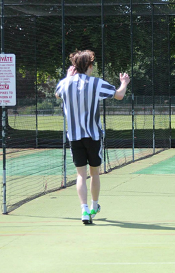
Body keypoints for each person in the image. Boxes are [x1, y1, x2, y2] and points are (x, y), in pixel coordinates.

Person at [55, 50, 130, 224]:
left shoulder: (65, 83)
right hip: (93, 136)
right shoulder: (95, 83)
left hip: (74, 136)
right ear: (89, 66)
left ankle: (84, 210)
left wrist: (67, 77)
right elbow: (119, 95)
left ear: (74, 66)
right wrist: (124, 83)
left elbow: (58, 94)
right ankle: (94, 205)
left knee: (80, 175)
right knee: (94, 172)